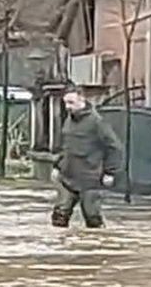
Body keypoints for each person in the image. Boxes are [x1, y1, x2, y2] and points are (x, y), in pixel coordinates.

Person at [51, 84, 123, 228]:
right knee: (59, 216)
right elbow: (64, 147)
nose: (67, 107)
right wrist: (57, 166)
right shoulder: (68, 121)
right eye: (65, 103)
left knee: (92, 218)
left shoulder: (96, 122)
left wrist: (110, 172)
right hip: (68, 177)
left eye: (71, 103)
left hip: (89, 179)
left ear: (82, 100)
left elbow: (114, 147)